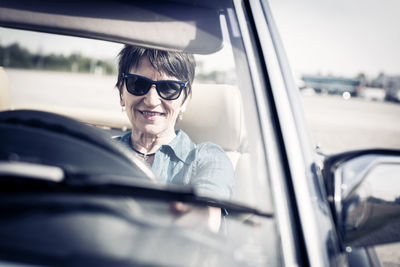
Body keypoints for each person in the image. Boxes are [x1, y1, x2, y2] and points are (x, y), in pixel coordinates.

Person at [115, 45, 234, 231]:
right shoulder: (101, 151)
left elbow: (204, 221)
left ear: (184, 100)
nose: (151, 100)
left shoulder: (208, 158)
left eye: (168, 88)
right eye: (138, 84)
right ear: (122, 92)